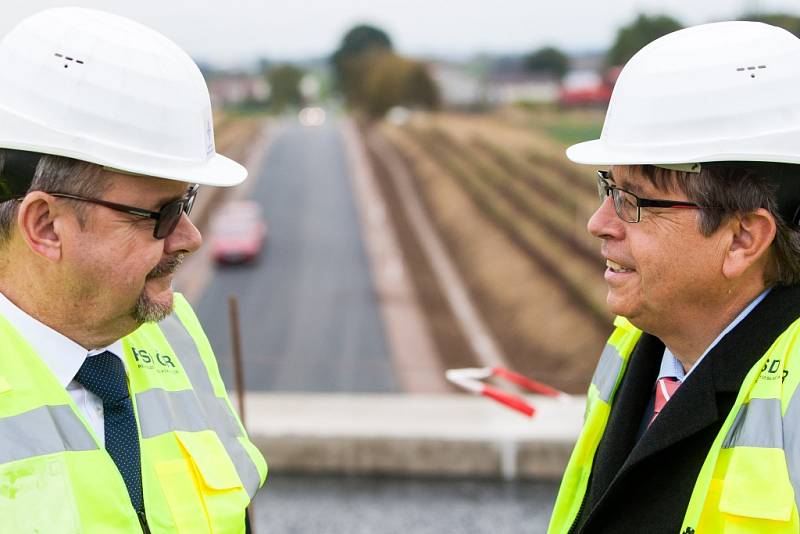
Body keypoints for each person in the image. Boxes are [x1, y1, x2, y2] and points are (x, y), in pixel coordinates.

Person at [0, 8, 267, 533]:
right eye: (161, 213)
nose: (190, 236)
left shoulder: (170, 328)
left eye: (187, 200)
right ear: (47, 226)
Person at [548, 21, 800, 534]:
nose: (599, 223)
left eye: (632, 201)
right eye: (607, 187)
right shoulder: (635, 349)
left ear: (743, 239)